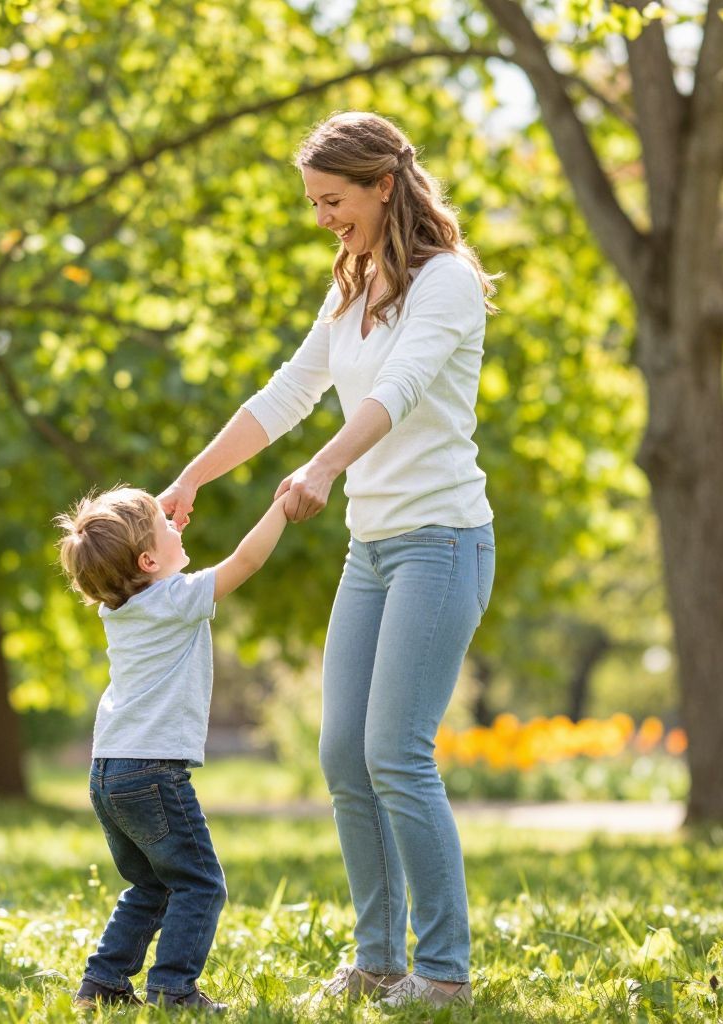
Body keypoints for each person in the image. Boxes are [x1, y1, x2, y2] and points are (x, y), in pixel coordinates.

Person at [158, 111, 499, 1010]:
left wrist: (322, 466)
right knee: (344, 754)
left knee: (397, 752)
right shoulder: (351, 283)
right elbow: (289, 390)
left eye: (333, 200)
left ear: (384, 184)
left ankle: (445, 972)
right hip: (373, 549)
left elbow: (401, 387)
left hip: (443, 538)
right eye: (314, 203)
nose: (323, 219)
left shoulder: (446, 282)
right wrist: (192, 477)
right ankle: (379, 959)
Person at [56, 485, 292, 1011]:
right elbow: (246, 560)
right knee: (200, 884)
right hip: (152, 773)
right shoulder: (177, 599)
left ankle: (103, 984)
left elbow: (144, 563)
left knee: (150, 885)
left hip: (108, 772)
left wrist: (157, 526)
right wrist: (278, 507)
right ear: (146, 558)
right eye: (166, 528)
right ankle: (173, 990)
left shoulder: (117, 611)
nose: (177, 527)